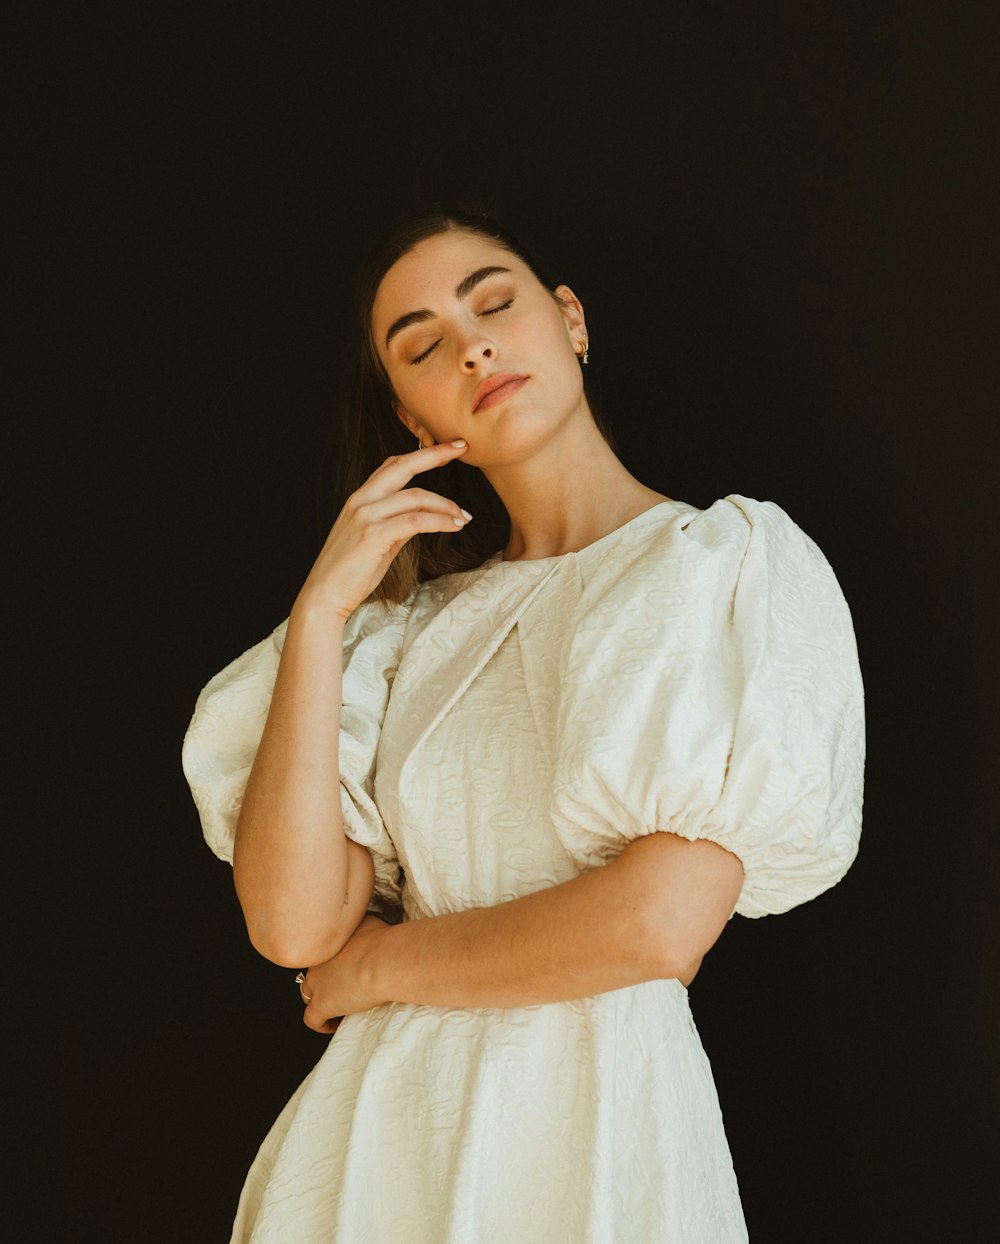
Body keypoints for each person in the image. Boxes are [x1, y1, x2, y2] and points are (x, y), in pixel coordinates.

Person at [182, 207, 865, 1242]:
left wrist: (376, 966)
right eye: (422, 344)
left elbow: (655, 925)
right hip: (378, 1148)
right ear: (413, 418)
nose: (472, 345)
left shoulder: (721, 568)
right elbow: (290, 925)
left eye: (491, 301)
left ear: (569, 318)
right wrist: (322, 614)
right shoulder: (400, 636)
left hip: (597, 1133)